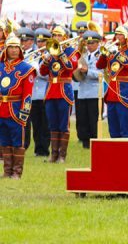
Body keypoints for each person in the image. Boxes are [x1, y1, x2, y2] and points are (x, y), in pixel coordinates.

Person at [39, 26, 79, 163]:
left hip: (64, 90)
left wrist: (60, 53)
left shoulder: (71, 51)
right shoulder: (50, 52)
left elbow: (70, 68)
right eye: (54, 35)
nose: (56, 38)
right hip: (51, 91)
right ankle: (53, 155)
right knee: (53, 124)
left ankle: (62, 155)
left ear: (65, 37)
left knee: (63, 124)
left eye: (59, 35)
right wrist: (46, 60)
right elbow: (43, 72)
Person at [0, 35, 36, 179]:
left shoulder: (26, 69)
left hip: (15, 110)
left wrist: (24, 114)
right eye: (11, 47)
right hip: (1, 109)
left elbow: (27, 95)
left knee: (17, 142)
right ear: (6, 49)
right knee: (4, 141)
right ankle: (7, 171)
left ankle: (16, 172)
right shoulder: (1, 67)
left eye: (16, 47)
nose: (14, 50)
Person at [96, 26, 128, 138]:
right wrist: (104, 55)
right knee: (113, 128)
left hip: (124, 92)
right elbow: (99, 66)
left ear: (126, 36)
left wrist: (118, 54)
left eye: (120, 34)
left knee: (125, 129)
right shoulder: (113, 50)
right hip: (112, 93)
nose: (117, 37)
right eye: (116, 34)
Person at [25, 28, 51, 157]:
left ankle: (44, 149)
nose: (40, 44)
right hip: (34, 95)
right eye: (39, 41)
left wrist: (37, 69)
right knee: (35, 123)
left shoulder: (50, 55)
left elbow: (47, 75)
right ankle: (37, 148)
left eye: (43, 41)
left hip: (45, 93)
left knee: (44, 124)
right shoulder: (34, 54)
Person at [75, 30, 102, 148]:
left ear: (97, 43)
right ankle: (85, 142)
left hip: (94, 92)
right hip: (82, 91)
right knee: (82, 119)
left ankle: (94, 141)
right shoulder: (83, 56)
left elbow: (101, 74)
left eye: (92, 43)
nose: (89, 45)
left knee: (93, 119)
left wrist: (87, 71)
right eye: (88, 43)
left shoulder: (101, 56)